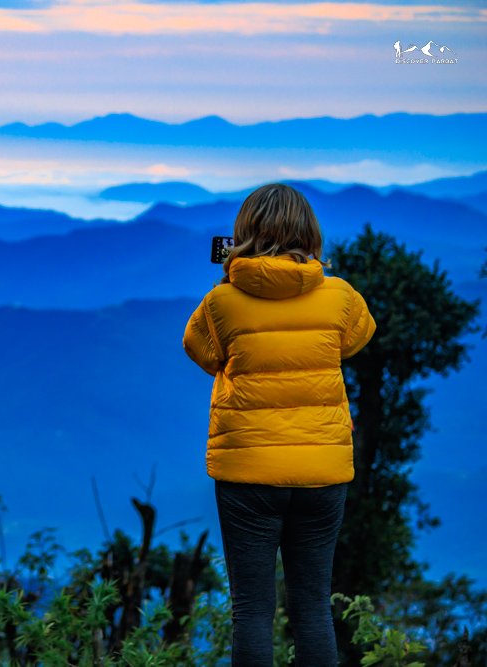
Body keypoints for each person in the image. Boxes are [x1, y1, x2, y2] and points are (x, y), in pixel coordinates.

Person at [182, 182, 376, 666]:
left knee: (251, 611)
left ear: (243, 234)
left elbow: (201, 352)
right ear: (310, 233)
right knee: (313, 608)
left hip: (247, 473)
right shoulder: (341, 296)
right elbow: (356, 340)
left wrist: (232, 282)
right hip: (322, 470)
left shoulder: (221, 302)